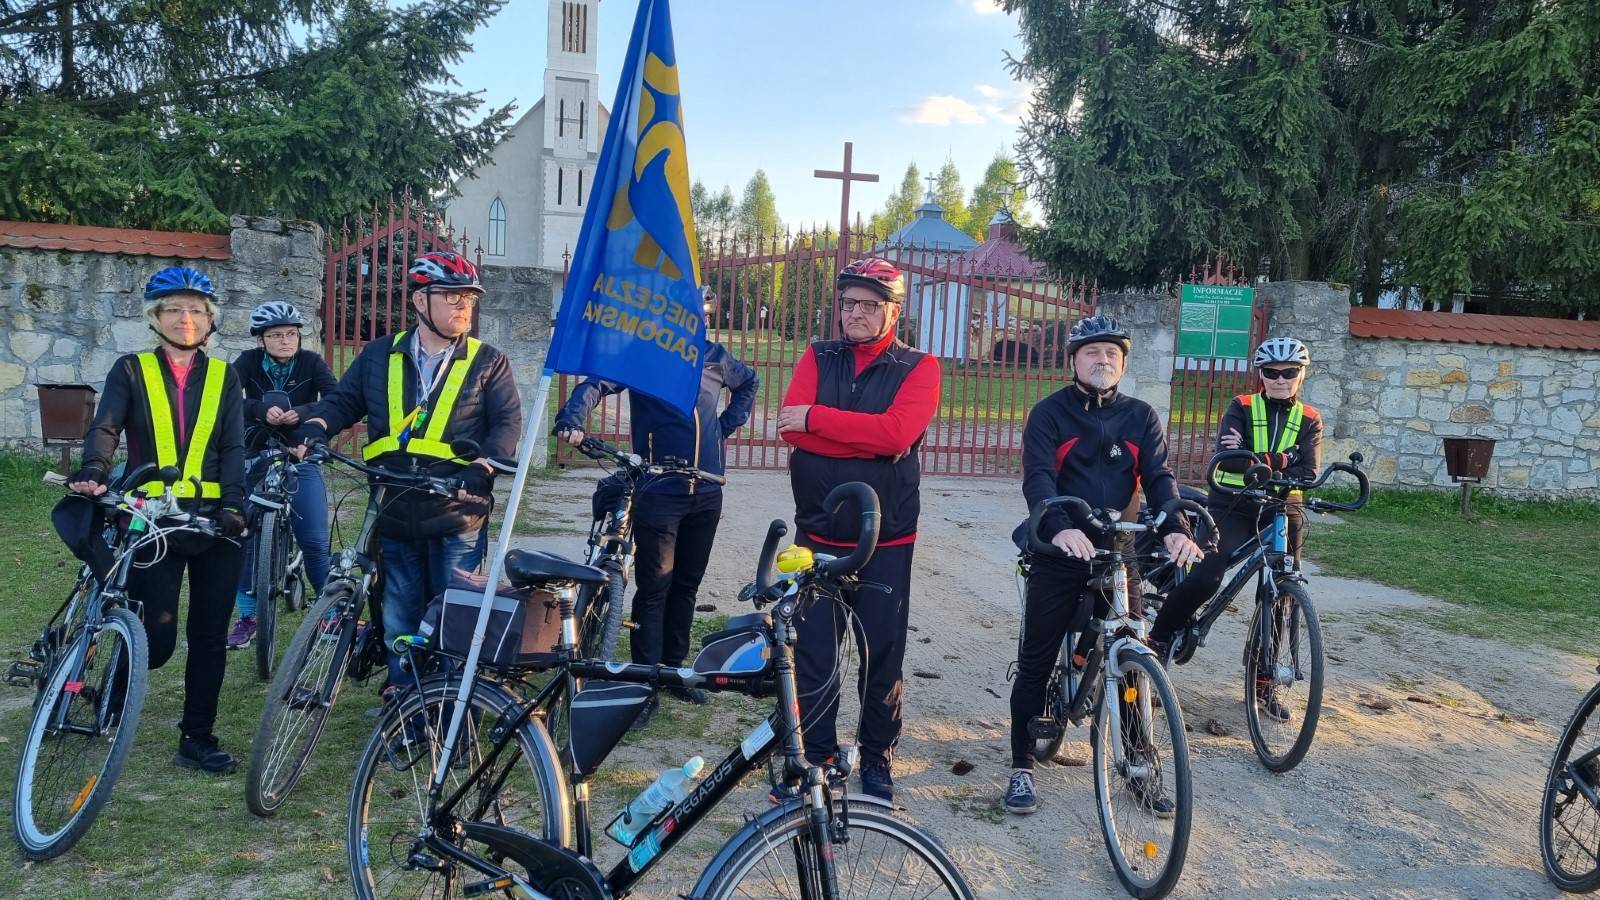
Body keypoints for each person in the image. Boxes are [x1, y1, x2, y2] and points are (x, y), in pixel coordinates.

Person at [1004, 314, 1205, 815]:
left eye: (1112, 354)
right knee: (1036, 659)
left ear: (1123, 364)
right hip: (1061, 549)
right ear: (1073, 359)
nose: (1103, 360)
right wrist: (1058, 527)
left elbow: (1159, 477)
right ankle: (1022, 766)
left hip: (1120, 552)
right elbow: (1038, 479)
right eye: (1092, 352)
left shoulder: (1140, 416)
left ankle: (1137, 763)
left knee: (1134, 657)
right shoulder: (1049, 413)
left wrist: (1176, 528)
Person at [297, 251, 522, 695]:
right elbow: (344, 401)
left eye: (469, 298)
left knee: (454, 614)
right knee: (400, 613)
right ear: (421, 301)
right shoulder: (379, 354)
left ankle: (448, 705)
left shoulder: (488, 361)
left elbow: (507, 423)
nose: (464, 306)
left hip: (457, 510)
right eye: (453, 296)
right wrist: (317, 425)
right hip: (395, 506)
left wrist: (484, 465)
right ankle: (403, 700)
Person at [68, 266, 247, 775]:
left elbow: (234, 445)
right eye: (174, 309)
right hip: (153, 518)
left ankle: (197, 737)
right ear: (155, 317)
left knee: (210, 635)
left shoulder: (225, 376)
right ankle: (113, 700)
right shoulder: (131, 369)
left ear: (209, 319)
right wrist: (94, 470)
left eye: (196, 310)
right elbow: (105, 427)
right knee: (156, 639)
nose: (185, 318)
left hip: (215, 522)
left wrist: (235, 505)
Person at [776, 257, 942, 803]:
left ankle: (876, 758)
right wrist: (861, 438)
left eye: (870, 305)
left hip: (885, 539)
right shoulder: (818, 356)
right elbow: (789, 428)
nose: (856, 313)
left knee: (880, 653)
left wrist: (818, 419)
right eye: (849, 303)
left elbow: (896, 434)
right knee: (815, 653)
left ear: (894, 311)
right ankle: (819, 758)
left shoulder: (919, 366)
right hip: (817, 533)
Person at [554, 297, 758, 729]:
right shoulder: (643, 353)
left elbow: (749, 382)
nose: (694, 323)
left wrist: (724, 428)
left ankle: (674, 669)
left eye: (701, 317)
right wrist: (572, 418)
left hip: (708, 488)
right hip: (660, 487)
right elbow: (596, 384)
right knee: (654, 588)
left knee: (686, 584)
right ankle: (643, 683)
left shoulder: (715, 356)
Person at [1148, 337, 1323, 720]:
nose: (1280, 379)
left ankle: (1264, 681)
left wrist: (1259, 460)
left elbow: (1308, 471)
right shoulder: (1241, 406)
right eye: (1272, 372)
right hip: (1233, 504)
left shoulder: (1310, 418)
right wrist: (1285, 458)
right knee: (1207, 575)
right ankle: (1157, 642)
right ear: (1261, 374)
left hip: (1283, 508)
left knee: (1284, 594)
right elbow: (1228, 460)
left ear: (1301, 375)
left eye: (1289, 372)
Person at [224, 301, 339, 649]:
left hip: (301, 450)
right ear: (261, 339)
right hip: (257, 450)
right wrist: (259, 408)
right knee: (245, 535)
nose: (286, 341)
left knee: (314, 539)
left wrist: (302, 412)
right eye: (276, 335)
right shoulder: (247, 362)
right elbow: (227, 399)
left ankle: (330, 613)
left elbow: (336, 399)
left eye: (291, 334)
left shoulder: (312, 362)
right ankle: (248, 617)